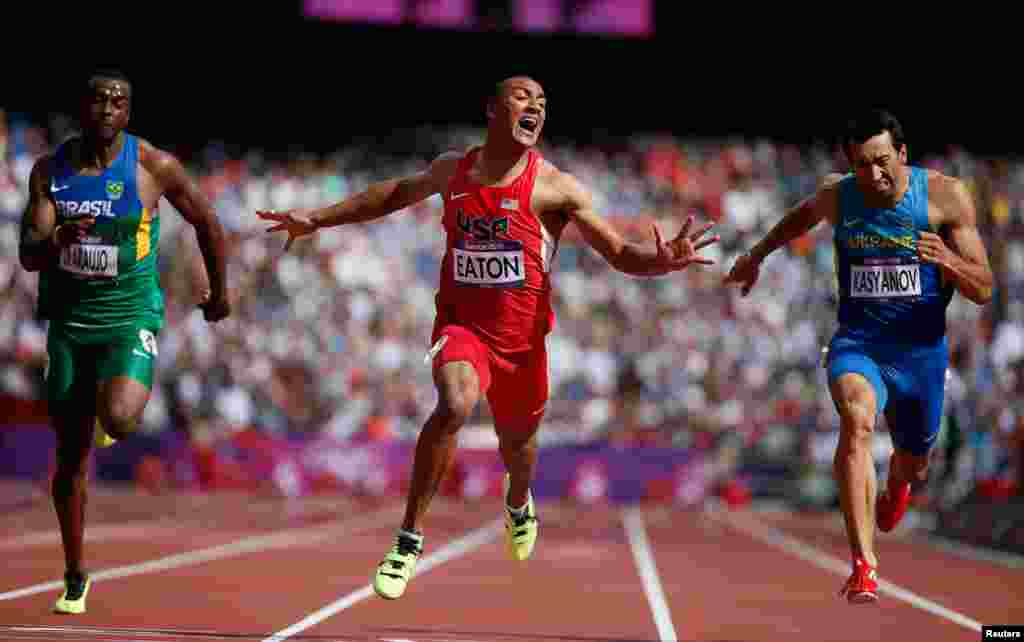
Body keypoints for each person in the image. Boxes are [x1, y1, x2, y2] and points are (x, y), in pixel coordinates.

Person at [259, 75, 718, 600]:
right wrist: (316, 218)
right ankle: (407, 541)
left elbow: (617, 252)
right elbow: (391, 195)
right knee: (454, 403)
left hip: (523, 347)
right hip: (463, 329)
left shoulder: (555, 187)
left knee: (519, 451)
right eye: (524, 97)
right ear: (492, 108)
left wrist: (661, 261)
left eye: (543, 103)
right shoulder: (452, 171)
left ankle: (518, 503)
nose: (536, 107)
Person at [725, 109, 993, 604]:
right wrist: (756, 255)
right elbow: (799, 218)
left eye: (882, 161)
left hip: (921, 355)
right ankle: (864, 565)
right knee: (857, 420)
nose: (873, 175)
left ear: (903, 154)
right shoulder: (839, 194)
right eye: (861, 165)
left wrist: (949, 261)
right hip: (860, 343)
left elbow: (984, 289)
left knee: (914, 465)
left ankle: (898, 489)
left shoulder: (944, 196)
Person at [18, 68, 231, 614]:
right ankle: (74, 572)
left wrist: (219, 293)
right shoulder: (50, 171)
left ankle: (107, 412)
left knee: (119, 418)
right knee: (68, 460)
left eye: (119, 102)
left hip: (128, 314)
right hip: (69, 322)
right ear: (83, 108)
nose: (109, 109)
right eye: (99, 100)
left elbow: (207, 222)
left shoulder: (153, 166)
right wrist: (56, 239)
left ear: (129, 113)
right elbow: (29, 253)